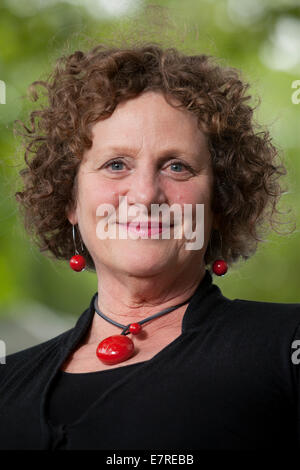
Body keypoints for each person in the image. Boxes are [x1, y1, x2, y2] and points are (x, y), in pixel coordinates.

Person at [0, 41, 299, 451]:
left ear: (218, 203)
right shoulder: (7, 378)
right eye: (116, 164)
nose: (144, 195)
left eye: (177, 166)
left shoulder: (286, 347)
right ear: (70, 201)